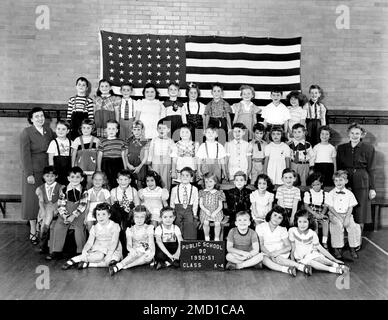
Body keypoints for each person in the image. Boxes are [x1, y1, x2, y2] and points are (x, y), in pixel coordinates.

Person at [20, 107, 55, 244]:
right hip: (33, 172)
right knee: (32, 201)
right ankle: (33, 231)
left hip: (46, 172)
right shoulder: (27, 132)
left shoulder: (49, 131)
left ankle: (43, 230)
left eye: (41, 116)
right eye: (37, 116)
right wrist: (29, 173)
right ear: (31, 119)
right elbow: (24, 155)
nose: (40, 118)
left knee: (46, 200)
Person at [336, 123, 376, 240]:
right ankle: (344, 238)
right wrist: (340, 184)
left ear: (362, 135)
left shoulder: (368, 148)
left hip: (362, 181)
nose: (354, 135)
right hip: (345, 180)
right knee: (344, 207)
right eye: (352, 133)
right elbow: (339, 168)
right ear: (348, 134)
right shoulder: (342, 148)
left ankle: (357, 239)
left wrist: (372, 188)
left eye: (357, 133)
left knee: (360, 210)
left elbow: (371, 169)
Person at [61, 203, 122, 270]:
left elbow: (114, 242)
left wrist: (109, 254)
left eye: (103, 214)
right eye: (98, 214)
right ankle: (74, 260)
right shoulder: (95, 228)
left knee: (111, 261)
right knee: (99, 256)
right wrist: (84, 251)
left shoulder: (115, 226)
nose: (100, 217)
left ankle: (89, 264)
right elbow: (89, 242)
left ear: (109, 215)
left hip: (113, 248)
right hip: (100, 247)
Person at [256, 206, 312, 277]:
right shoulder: (260, 227)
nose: (276, 219)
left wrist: (277, 252)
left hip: (280, 252)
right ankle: (287, 269)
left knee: (276, 257)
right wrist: (269, 253)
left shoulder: (282, 229)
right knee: (264, 259)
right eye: (275, 215)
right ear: (270, 215)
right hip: (266, 251)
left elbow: (288, 247)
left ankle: (301, 267)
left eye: (280, 217)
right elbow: (261, 244)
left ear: (282, 220)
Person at [289, 210, 349, 275]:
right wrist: (292, 260)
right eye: (300, 222)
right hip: (299, 257)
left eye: (305, 222)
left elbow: (320, 248)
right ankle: (334, 270)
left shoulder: (312, 233)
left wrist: (334, 259)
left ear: (309, 222)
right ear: (296, 222)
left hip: (310, 253)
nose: (302, 224)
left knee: (319, 258)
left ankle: (335, 265)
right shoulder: (292, 230)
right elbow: (292, 247)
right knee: (311, 262)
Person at [46, 166, 88, 260]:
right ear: (68, 178)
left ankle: (80, 251)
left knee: (79, 229)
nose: (75, 179)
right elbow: (61, 204)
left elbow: (83, 205)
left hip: (78, 214)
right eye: (72, 177)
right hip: (66, 213)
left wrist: (73, 216)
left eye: (77, 177)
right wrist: (65, 216)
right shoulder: (64, 190)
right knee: (58, 226)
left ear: (82, 179)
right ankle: (57, 251)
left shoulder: (84, 191)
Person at [109, 205, 155, 276]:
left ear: (146, 218)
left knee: (145, 256)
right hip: (135, 252)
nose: (139, 219)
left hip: (147, 252)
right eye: (136, 217)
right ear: (133, 217)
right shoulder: (130, 230)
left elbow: (151, 243)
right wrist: (131, 250)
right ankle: (122, 265)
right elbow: (129, 245)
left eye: (142, 217)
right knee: (135, 254)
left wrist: (152, 253)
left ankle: (122, 266)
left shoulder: (149, 228)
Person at [325, 170, 361, 260]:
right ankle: (337, 248)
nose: (338, 182)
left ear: (346, 181)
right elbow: (330, 208)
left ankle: (352, 247)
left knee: (353, 226)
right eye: (336, 180)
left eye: (341, 180)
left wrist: (347, 218)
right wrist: (340, 218)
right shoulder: (331, 194)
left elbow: (350, 207)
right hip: (335, 215)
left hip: (347, 214)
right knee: (337, 226)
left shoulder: (349, 194)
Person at [110, 170, 140, 255]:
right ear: (117, 180)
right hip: (118, 216)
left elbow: (137, 205)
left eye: (126, 179)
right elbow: (112, 206)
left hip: (130, 215)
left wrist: (132, 212)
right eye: (121, 179)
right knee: (116, 210)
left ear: (130, 180)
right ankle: (119, 249)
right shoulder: (113, 191)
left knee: (127, 227)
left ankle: (128, 249)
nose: (123, 182)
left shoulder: (133, 190)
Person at [35, 166, 62, 253]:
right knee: (47, 210)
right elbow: (41, 202)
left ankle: (42, 243)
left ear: (56, 176)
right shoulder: (40, 188)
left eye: (52, 176)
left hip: (57, 209)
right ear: (43, 177)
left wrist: (53, 207)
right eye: (47, 176)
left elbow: (60, 201)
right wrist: (42, 211)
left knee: (50, 207)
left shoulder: (61, 187)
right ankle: (45, 234)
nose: (49, 178)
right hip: (45, 210)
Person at [170, 167, 199, 240]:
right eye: (182, 175)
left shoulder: (194, 189)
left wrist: (194, 213)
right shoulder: (175, 188)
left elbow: (196, 202)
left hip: (189, 209)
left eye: (187, 175)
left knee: (189, 224)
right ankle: (178, 241)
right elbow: (172, 201)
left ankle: (188, 242)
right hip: (178, 209)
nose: (184, 177)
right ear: (180, 177)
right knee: (177, 224)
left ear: (191, 178)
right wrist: (172, 212)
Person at [96, 120, 126, 189]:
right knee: (107, 182)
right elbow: (99, 155)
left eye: (113, 129)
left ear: (117, 130)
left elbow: (123, 155)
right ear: (106, 130)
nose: (111, 131)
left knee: (117, 181)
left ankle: (116, 196)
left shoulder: (121, 142)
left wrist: (125, 168)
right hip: (106, 164)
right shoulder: (102, 142)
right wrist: (98, 168)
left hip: (118, 163)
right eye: (109, 128)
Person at [147, 119, 175, 190]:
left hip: (166, 163)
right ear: (157, 129)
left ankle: (165, 198)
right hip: (156, 163)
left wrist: (173, 168)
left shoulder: (170, 141)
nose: (161, 130)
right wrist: (149, 164)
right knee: (155, 179)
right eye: (159, 128)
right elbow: (151, 152)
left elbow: (174, 155)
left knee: (165, 181)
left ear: (168, 129)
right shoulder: (154, 140)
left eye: (164, 128)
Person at [71, 119, 100, 188]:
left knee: (90, 184)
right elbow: (74, 154)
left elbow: (98, 154)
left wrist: (98, 167)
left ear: (92, 129)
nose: (85, 130)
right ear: (81, 128)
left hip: (92, 166)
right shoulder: (77, 140)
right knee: (80, 183)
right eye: (84, 128)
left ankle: (89, 196)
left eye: (88, 128)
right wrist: (73, 166)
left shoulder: (96, 140)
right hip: (80, 165)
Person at [304, 173, 329, 248]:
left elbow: (325, 206)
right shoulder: (308, 193)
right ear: (311, 185)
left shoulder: (325, 194)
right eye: (314, 185)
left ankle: (324, 242)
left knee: (325, 222)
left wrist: (322, 214)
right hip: (311, 213)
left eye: (318, 184)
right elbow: (306, 206)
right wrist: (315, 214)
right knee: (315, 224)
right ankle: (316, 242)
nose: (316, 187)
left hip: (321, 213)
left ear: (321, 183)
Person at [199, 173, 225, 241]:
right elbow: (201, 204)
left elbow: (220, 206)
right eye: (206, 182)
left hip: (216, 211)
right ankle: (207, 237)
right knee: (206, 222)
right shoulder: (202, 192)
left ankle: (216, 238)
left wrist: (215, 212)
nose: (208, 184)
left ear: (215, 182)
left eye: (210, 181)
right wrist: (206, 211)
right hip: (205, 211)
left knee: (217, 223)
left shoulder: (219, 193)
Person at [124, 120, 149, 189]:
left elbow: (146, 156)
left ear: (142, 130)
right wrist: (128, 165)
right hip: (130, 164)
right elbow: (125, 154)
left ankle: (140, 198)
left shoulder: (145, 141)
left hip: (141, 165)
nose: (136, 132)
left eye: (138, 129)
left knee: (140, 183)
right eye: (134, 129)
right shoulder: (128, 140)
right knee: (129, 183)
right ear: (132, 130)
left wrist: (139, 167)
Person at [47, 120, 72, 186]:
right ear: (55, 130)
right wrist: (52, 172)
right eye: (58, 129)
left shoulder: (71, 142)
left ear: (68, 131)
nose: (60, 131)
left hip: (68, 171)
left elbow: (74, 157)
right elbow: (50, 159)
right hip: (57, 170)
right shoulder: (53, 143)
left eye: (63, 129)